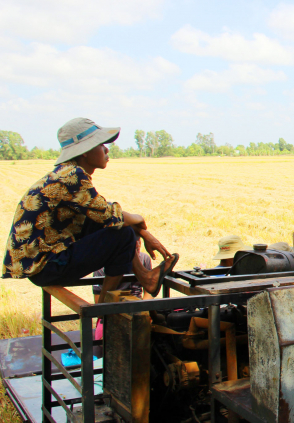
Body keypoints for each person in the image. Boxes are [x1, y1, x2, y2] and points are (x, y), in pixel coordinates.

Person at [1, 118, 178, 304]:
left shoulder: (65, 173)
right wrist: (139, 219)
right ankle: (104, 307)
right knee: (122, 234)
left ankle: (145, 278)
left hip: (43, 264)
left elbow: (102, 215)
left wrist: (143, 233)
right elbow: (109, 215)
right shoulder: (72, 175)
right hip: (46, 266)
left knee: (115, 227)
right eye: (101, 145)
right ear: (85, 151)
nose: (106, 150)